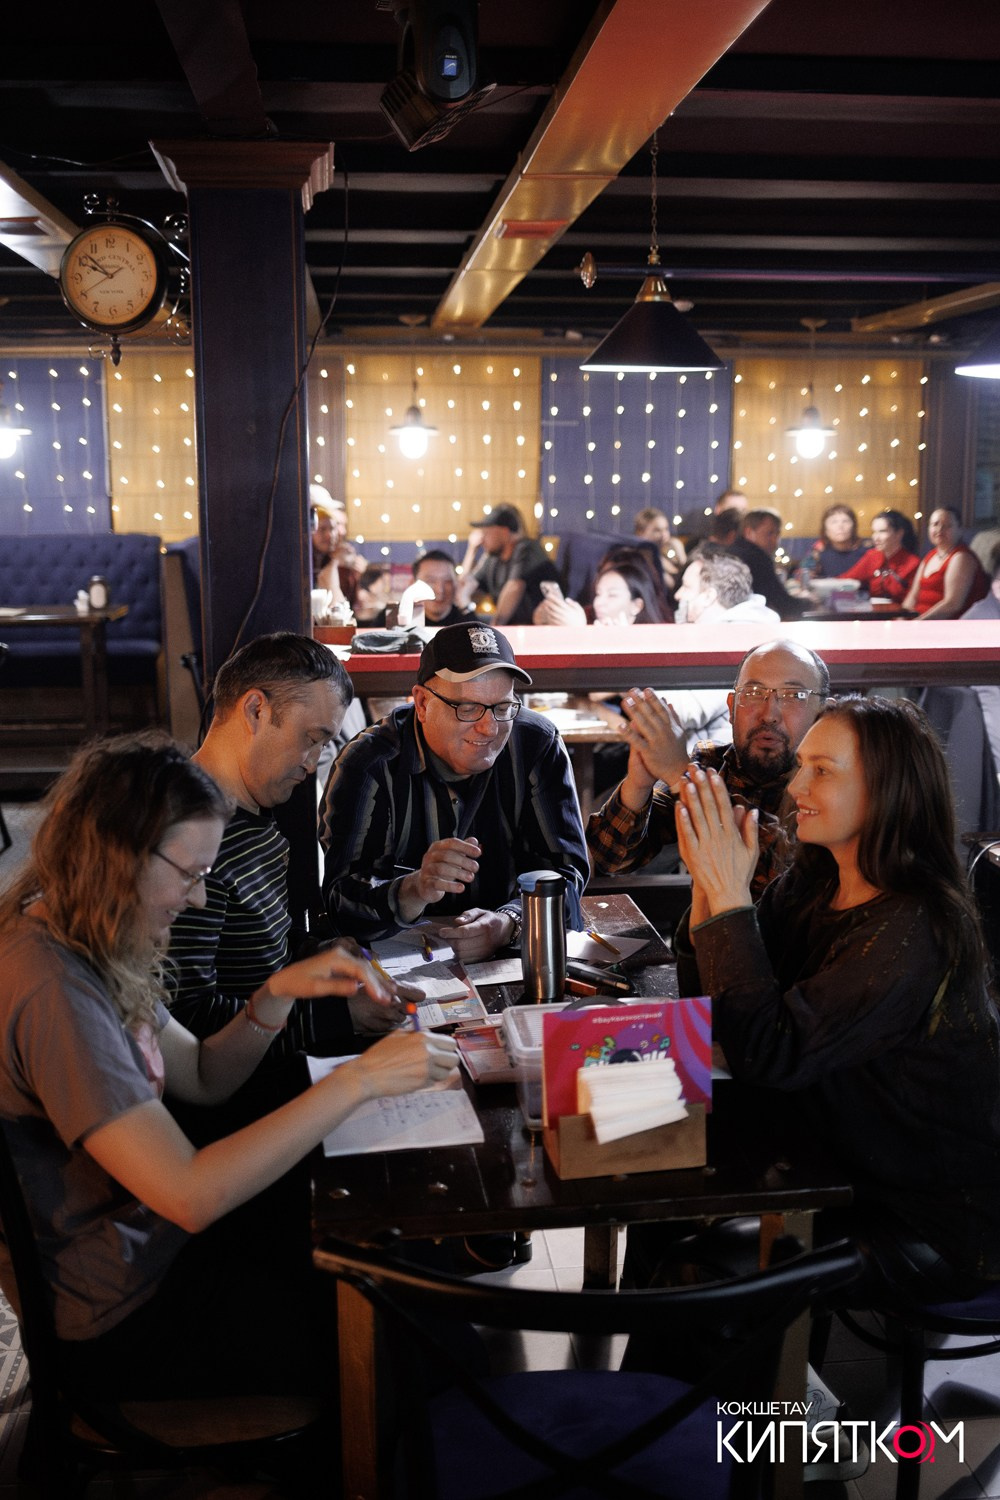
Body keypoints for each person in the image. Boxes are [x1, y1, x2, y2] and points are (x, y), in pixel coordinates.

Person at [0, 734, 456, 1402]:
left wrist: (273, 998)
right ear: (120, 856)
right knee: (404, 1328)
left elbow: (203, 1076)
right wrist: (360, 1079)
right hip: (121, 1313)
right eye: (190, 875)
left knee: (391, 1249)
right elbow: (189, 1194)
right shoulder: (54, 988)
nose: (197, 899)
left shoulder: (84, 932)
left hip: (156, 1248)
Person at [663, 694, 1000, 1303]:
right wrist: (710, 891)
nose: (796, 788)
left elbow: (767, 1053)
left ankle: (754, 1377)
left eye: (822, 770)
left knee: (699, 1269)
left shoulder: (912, 929)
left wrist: (729, 891)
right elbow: (723, 1008)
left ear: (888, 791)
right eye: (802, 766)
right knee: (662, 1217)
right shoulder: (816, 881)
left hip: (929, 1214)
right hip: (830, 1152)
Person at [167, 633, 392, 1065]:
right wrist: (336, 1017)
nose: (312, 762)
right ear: (256, 710)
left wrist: (314, 954)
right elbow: (187, 1022)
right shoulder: (187, 838)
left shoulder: (254, 809)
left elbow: (259, 959)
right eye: (311, 738)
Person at [321, 621, 589, 961]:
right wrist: (414, 888)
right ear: (422, 703)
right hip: (399, 971)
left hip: (513, 957)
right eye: (468, 708)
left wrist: (509, 923)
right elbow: (340, 904)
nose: (489, 728)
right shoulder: (369, 763)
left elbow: (566, 875)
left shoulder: (536, 744)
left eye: (503, 707)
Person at [587, 640, 829, 898]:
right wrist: (639, 783)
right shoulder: (712, 765)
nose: (769, 714)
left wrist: (679, 775)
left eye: (793, 696)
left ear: (823, 713)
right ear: (731, 707)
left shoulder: (832, 783)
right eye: (753, 693)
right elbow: (610, 857)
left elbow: (774, 881)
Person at [457, 504, 560, 625]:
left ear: (504, 531)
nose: (482, 538)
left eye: (486, 532)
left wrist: (495, 629)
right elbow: (462, 587)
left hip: (537, 628)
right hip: (513, 628)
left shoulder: (527, 549)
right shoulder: (493, 560)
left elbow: (515, 587)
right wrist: (471, 550)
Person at [903, 505, 989, 618]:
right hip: (918, 620)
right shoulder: (930, 556)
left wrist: (918, 623)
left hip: (944, 624)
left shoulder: (962, 557)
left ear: (960, 529)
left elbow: (952, 605)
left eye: (947, 525)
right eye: (935, 524)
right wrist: (901, 617)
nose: (940, 529)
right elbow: (913, 596)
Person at [728, 508, 808, 620]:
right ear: (749, 533)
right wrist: (809, 603)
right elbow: (782, 603)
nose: (775, 539)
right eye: (769, 533)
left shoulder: (731, 552)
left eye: (777, 534)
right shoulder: (756, 558)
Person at [674, 547, 779, 626]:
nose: (677, 595)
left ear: (708, 597)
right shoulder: (761, 632)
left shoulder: (714, 643)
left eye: (686, 587)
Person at [838, 508, 920, 603]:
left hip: (901, 611)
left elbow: (913, 600)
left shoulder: (913, 563)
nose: (875, 537)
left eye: (882, 531)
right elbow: (846, 579)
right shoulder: (873, 556)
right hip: (874, 610)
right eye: (874, 532)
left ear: (899, 534)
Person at [797, 504, 869, 580]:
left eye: (845, 521)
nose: (840, 526)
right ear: (825, 530)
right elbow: (800, 577)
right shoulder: (818, 553)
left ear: (854, 527)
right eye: (834, 522)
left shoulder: (866, 552)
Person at [412, 548, 473, 627]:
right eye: (431, 581)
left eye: (447, 581)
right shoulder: (404, 622)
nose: (440, 590)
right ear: (413, 584)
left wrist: (465, 603)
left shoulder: (466, 620)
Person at [633, 505, 687, 594]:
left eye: (666, 529)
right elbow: (673, 587)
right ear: (640, 532)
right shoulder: (641, 560)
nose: (664, 535)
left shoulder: (667, 555)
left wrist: (681, 554)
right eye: (657, 530)